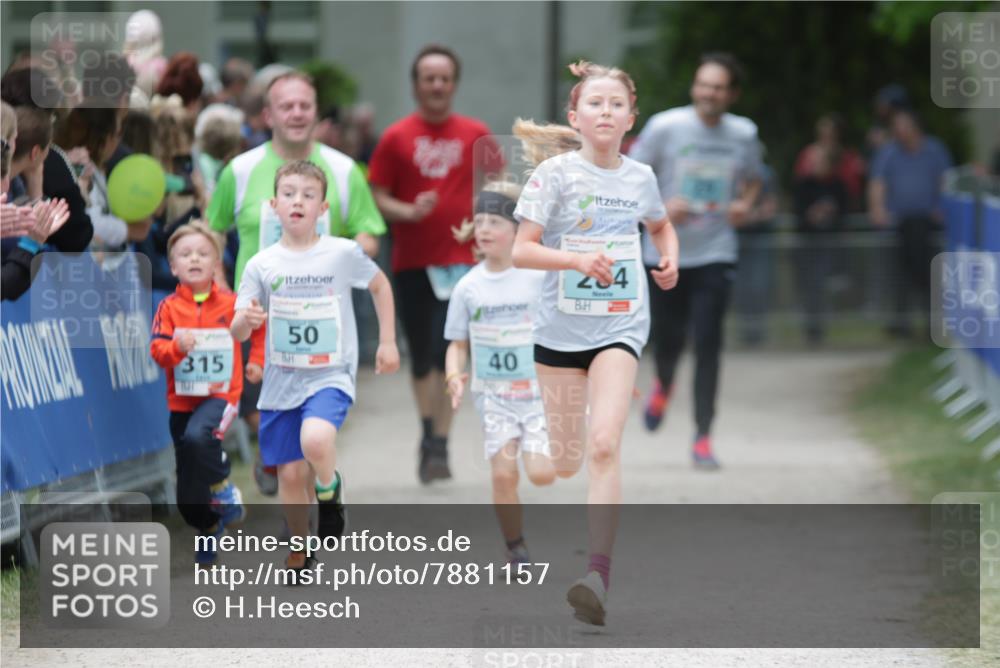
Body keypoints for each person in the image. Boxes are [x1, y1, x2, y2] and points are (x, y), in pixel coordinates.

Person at [511, 61, 679, 626]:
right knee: (564, 462)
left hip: (619, 327)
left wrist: (669, 253)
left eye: (616, 104)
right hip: (558, 333)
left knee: (604, 445)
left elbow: (659, 225)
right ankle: (531, 431)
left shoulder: (641, 177)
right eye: (595, 103)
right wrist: (577, 259)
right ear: (574, 117)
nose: (605, 111)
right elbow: (522, 251)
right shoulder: (554, 176)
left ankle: (597, 577)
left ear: (631, 118)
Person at [208, 71, 386, 494]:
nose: (296, 112)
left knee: (310, 435)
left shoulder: (342, 170)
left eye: (305, 104)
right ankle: (276, 469)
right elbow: (212, 231)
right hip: (255, 324)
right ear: (267, 114)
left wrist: (331, 257)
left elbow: (369, 236)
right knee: (275, 433)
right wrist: (221, 290)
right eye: (286, 105)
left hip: (319, 324)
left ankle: (298, 526)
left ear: (316, 113)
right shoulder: (240, 170)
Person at [231, 161, 399, 573]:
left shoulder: (341, 253)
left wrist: (389, 341)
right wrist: (246, 322)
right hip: (281, 382)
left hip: (329, 374)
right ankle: (300, 550)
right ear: (273, 205)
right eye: (288, 193)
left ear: (322, 207)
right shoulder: (261, 264)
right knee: (288, 475)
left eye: (308, 195)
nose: (297, 202)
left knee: (317, 441)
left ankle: (329, 488)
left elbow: (379, 285)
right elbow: (236, 328)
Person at [368, 44, 503, 484]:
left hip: (466, 264)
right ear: (416, 85)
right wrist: (408, 211)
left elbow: (499, 188)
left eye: (445, 78)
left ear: (454, 84)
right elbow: (378, 195)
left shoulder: (476, 133)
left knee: (455, 354)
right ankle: (428, 431)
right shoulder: (396, 137)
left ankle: (440, 443)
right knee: (423, 358)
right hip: (413, 263)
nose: (437, 85)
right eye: (429, 77)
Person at [628, 52, 762, 469]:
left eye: (719, 87)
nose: (710, 93)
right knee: (667, 341)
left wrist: (744, 204)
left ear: (732, 94)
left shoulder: (743, 133)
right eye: (704, 84)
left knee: (709, 344)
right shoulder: (666, 126)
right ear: (694, 88)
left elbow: (755, 178)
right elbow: (630, 175)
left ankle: (703, 437)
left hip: (716, 251)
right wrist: (662, 208)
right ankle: (663, 385)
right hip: (665, 251)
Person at [444, 183, 556, 564]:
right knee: (503, 475)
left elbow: (567, 329)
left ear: (517, 228)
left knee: (541, 474)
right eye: (479, 221)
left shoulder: (539, 277)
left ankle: (560, 437)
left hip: (539, 394)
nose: (485, 229)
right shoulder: (468, 287)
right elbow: (457, 343)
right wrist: (454, 376)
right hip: (494, 396)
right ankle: (515, 546)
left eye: (495, 221)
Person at [149, 222, 257, 564]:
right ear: (173, 266)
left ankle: (223, 486)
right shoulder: (168, 308)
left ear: (216, 264)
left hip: (222, 395)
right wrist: (177, 347)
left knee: (200, 437)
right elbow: (157, 351)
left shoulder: (232, 303)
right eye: (185, 254)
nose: (194, 259)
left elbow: (261, 328)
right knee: (187, 491)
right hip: (181, 401)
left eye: (202, 253)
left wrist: (256, 361)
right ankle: (208, 526)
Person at [868, 108, 953, 338]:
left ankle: (930, 324)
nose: (898, 131)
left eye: (902, 126)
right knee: (900, 276)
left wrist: (942, 207)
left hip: (927, 226)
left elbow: (946, 181)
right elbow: (878, 183)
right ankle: (901, 323)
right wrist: (878, 209)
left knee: (928, 275)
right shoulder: (888, 153)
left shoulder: (934, 150)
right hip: (899, 226)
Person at [794, 146, 848, 344]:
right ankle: (813, 329)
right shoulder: (803, 185)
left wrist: (830, 213)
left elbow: (845, 214)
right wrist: (812, 215)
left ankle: (833, 324)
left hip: (832, 245)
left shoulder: (838, 185)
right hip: (808, 245)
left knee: (827, 286)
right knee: (811, 287)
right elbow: (798, 216)